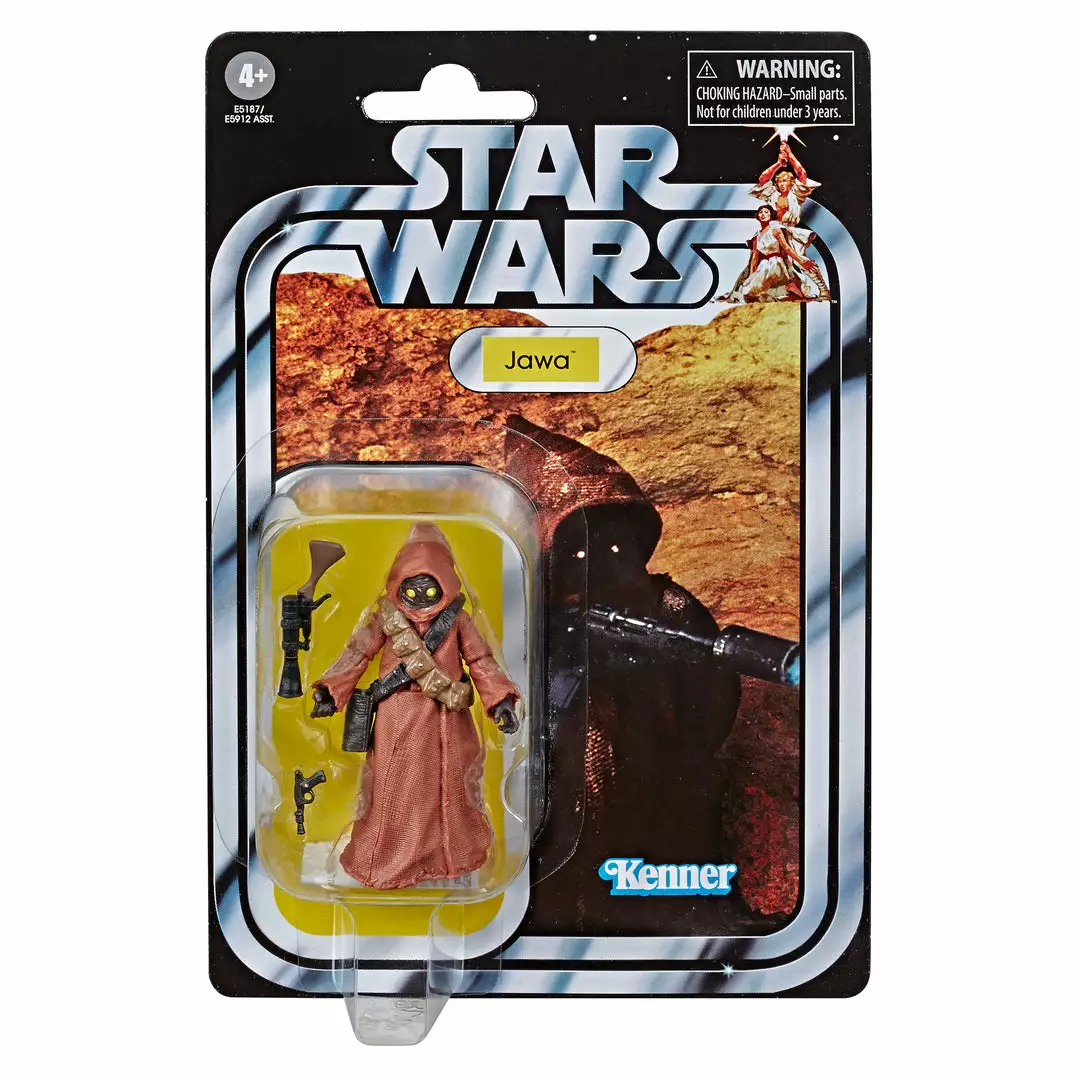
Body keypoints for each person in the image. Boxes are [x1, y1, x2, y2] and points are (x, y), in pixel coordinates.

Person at [310, 523, 519, 890]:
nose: (420, 596)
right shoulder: (386, 617)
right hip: (398, 718)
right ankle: (382, 861)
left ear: (445, 584)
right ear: (398, 583)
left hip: (447, 717)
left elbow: (481, 660)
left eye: (430, 588)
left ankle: (452, 857)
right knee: (393, 791)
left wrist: (499, 699)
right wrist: (332, 690)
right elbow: (357, 654)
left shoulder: (457, 619)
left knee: (451, 786)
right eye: (412, 588)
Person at [725, 204, 826, 303]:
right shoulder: (757, 236)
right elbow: (754, 258)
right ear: (758, 216)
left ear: (771, 215)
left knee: (804, 264)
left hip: (777, 264)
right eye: (760, 212)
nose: (763, 214)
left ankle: (823, 290)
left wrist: (800, 260)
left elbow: (786, 247)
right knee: (748, 291)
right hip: (763, 266)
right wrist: (751, 277)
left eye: (766, 212)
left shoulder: (775, 229)